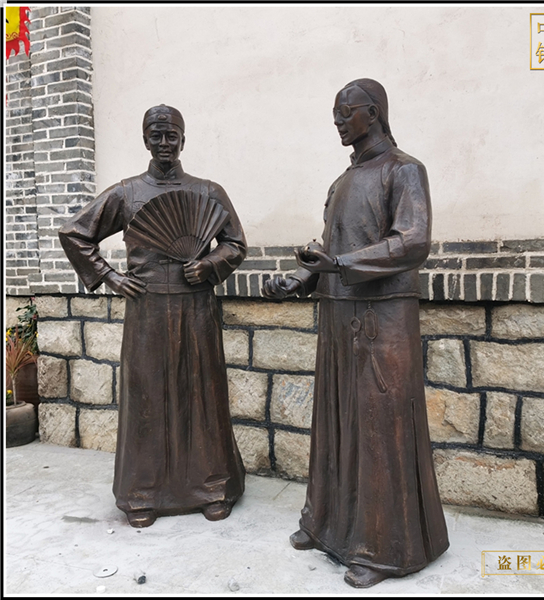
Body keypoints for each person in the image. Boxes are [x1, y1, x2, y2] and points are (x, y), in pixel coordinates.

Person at [263, 79, 449, 588]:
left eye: (347, 111)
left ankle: (382, 549)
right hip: (337, 317)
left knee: (379, 429)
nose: (338, 120)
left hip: (383, 320)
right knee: (335, 422)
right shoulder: (341, 182)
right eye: (335, 112)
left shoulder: (403, 169)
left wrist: (340, 264)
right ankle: (325, 525)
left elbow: (412, 241)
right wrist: (299, 279)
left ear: (375, 112)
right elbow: (330, 252)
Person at [59, 105, 246, 528]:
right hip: (147, 310)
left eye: (171, 135)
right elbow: (75, 233)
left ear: (183, 139)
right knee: (147, 397)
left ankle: (213, 486)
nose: (164, 143)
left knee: (201, 394)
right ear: (145, 140)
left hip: (196, 308)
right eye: (156, 135)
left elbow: (235, 243)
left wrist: (210, 264)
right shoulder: (127, 193)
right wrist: (109, 276)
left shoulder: (208, 191)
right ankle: (141, 493)